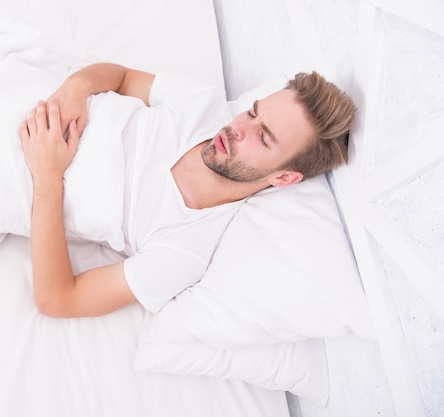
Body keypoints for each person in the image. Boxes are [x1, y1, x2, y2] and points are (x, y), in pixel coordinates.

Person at [19, 62, 356, 318]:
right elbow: (120, 77)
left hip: (6, 170)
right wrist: (75, 88)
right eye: (252, 111)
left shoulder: (186, 248)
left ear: (284, 178)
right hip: (22, 91)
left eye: (264, 137)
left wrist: (47, 176)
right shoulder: (201, 103)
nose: (238, 128)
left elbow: (60, 298)